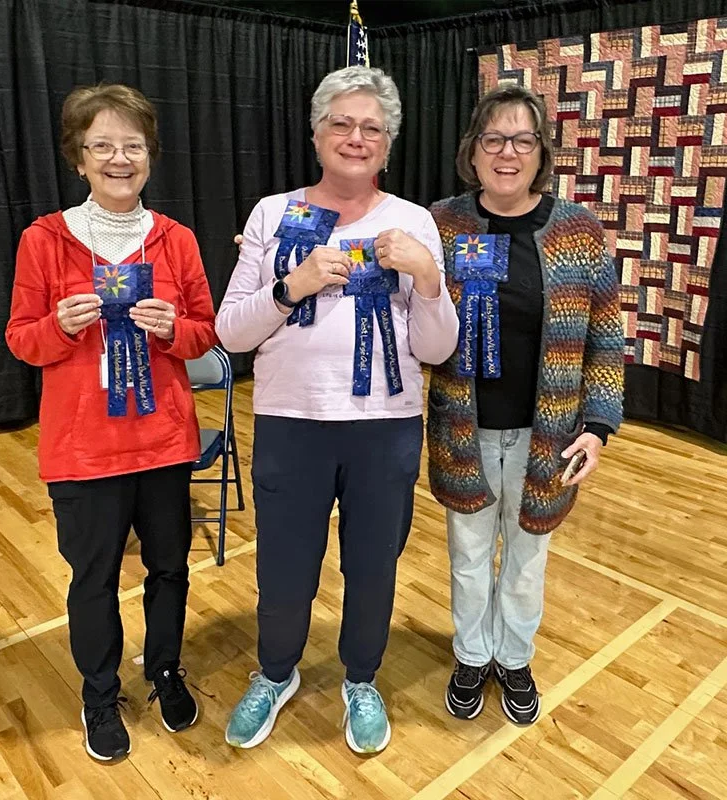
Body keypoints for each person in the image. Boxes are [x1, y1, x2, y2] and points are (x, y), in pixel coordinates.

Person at [216, 66, 458, 754]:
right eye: (342, 124)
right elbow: (230, 331)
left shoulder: (414, 222)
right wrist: (290, 287)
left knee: (374, 564)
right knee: (285, 565)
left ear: (388, 143)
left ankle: (361, 679)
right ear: (317, 132)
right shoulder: (273, 213)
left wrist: (430, 278)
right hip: (292, 423)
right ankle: (275, 673)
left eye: (372, 128)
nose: (356, 137)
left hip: (385, 429)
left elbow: (436, 347)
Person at [6, 84, 217, 761]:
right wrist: (58, 327)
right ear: (79, 157)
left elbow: (205, 334)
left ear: (149, 156)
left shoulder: (176, 241)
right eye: (103, 145)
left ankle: (163, 669)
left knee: (169, 569)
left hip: (162, 442)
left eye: (132, 145)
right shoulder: (45, 240)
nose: (119, 157)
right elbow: (20, 339)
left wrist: (174, 329)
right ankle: (100, 693)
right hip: (84, 450)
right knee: (92, 580)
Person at [427, 84, 624, 725]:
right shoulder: (440, 224)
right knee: (468, 556)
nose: (507, 152)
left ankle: (514, 659)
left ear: (541, 153)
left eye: (523, 139)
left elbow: (605, 336)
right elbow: (389, 291)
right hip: (466, 429)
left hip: (550, 435)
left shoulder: (579, 232)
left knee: (527, 556)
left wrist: (597, 426)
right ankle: (470, 654)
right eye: (494, 138)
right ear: (473, 152)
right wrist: (276, 258)